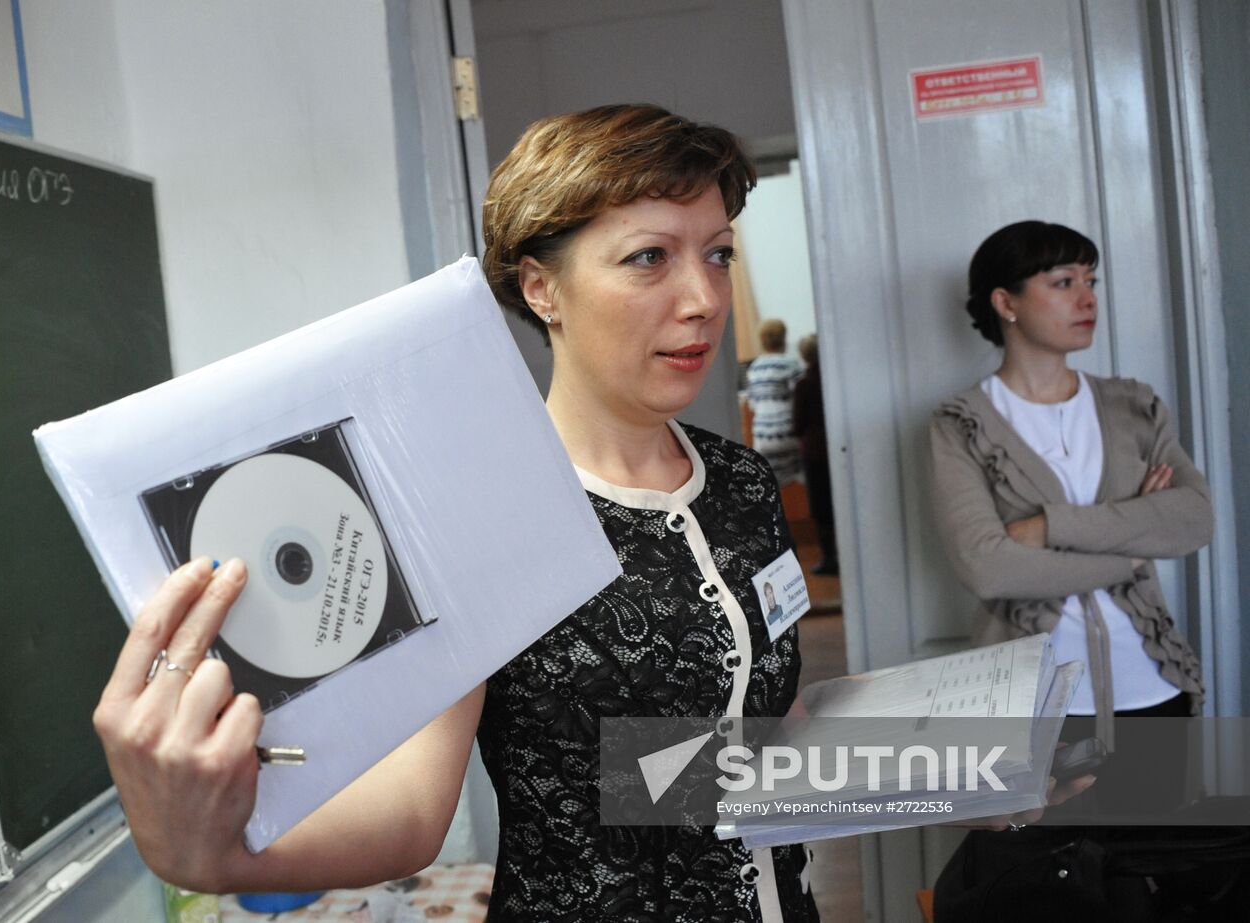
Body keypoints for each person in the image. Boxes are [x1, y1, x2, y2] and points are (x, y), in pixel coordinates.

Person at [92, 110, 1082, 923]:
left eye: (716, 253)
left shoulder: (738, 482)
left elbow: (730, 748)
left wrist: (960, 758)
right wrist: (203, 846)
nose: (701, 297)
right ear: (539, 286)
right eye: (648, 257)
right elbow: (408, 814)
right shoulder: (478, 508)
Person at [928, 221, 1214, 917]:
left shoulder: (1133, 404)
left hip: (1155, 693)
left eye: (1091, 281)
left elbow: (1196, 518)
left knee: (1155, 890)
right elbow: (989, 567)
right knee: (1040, 893)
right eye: (1063, 282)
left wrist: (1053, 528)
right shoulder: (961, 423)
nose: (1086, 297)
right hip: (1034, 708)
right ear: (1006, 302)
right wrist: (1136, 539)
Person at [791, 334, 837, 575]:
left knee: (821, 508)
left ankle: (830, 558)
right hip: (837, 450)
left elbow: (798, 425)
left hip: (814, 452)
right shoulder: (835, 380)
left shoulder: (804, 384)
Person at [746, 319, 805, 485]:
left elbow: (752, 404)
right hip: (789, 432)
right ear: (783, 338)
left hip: (763, 435)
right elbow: (801, 400)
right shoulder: (791, 364)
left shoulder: (754, 368)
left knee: (770, 484)